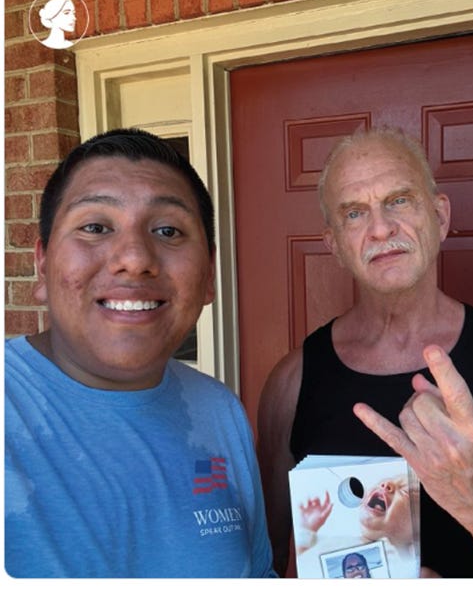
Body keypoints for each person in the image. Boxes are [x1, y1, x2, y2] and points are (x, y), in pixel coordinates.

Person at [5, 128, 274, 578]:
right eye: (95, 227)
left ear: (209, 275)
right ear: (42, 264)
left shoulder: (220, 411)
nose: (134, 258)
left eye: (168, 230)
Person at [257, 126, 473, 578]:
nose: (381, 228)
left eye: (399, 200)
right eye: (354, 213)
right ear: (335, 245)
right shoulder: (292, 382)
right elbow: (269, 556)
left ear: (440, 216)